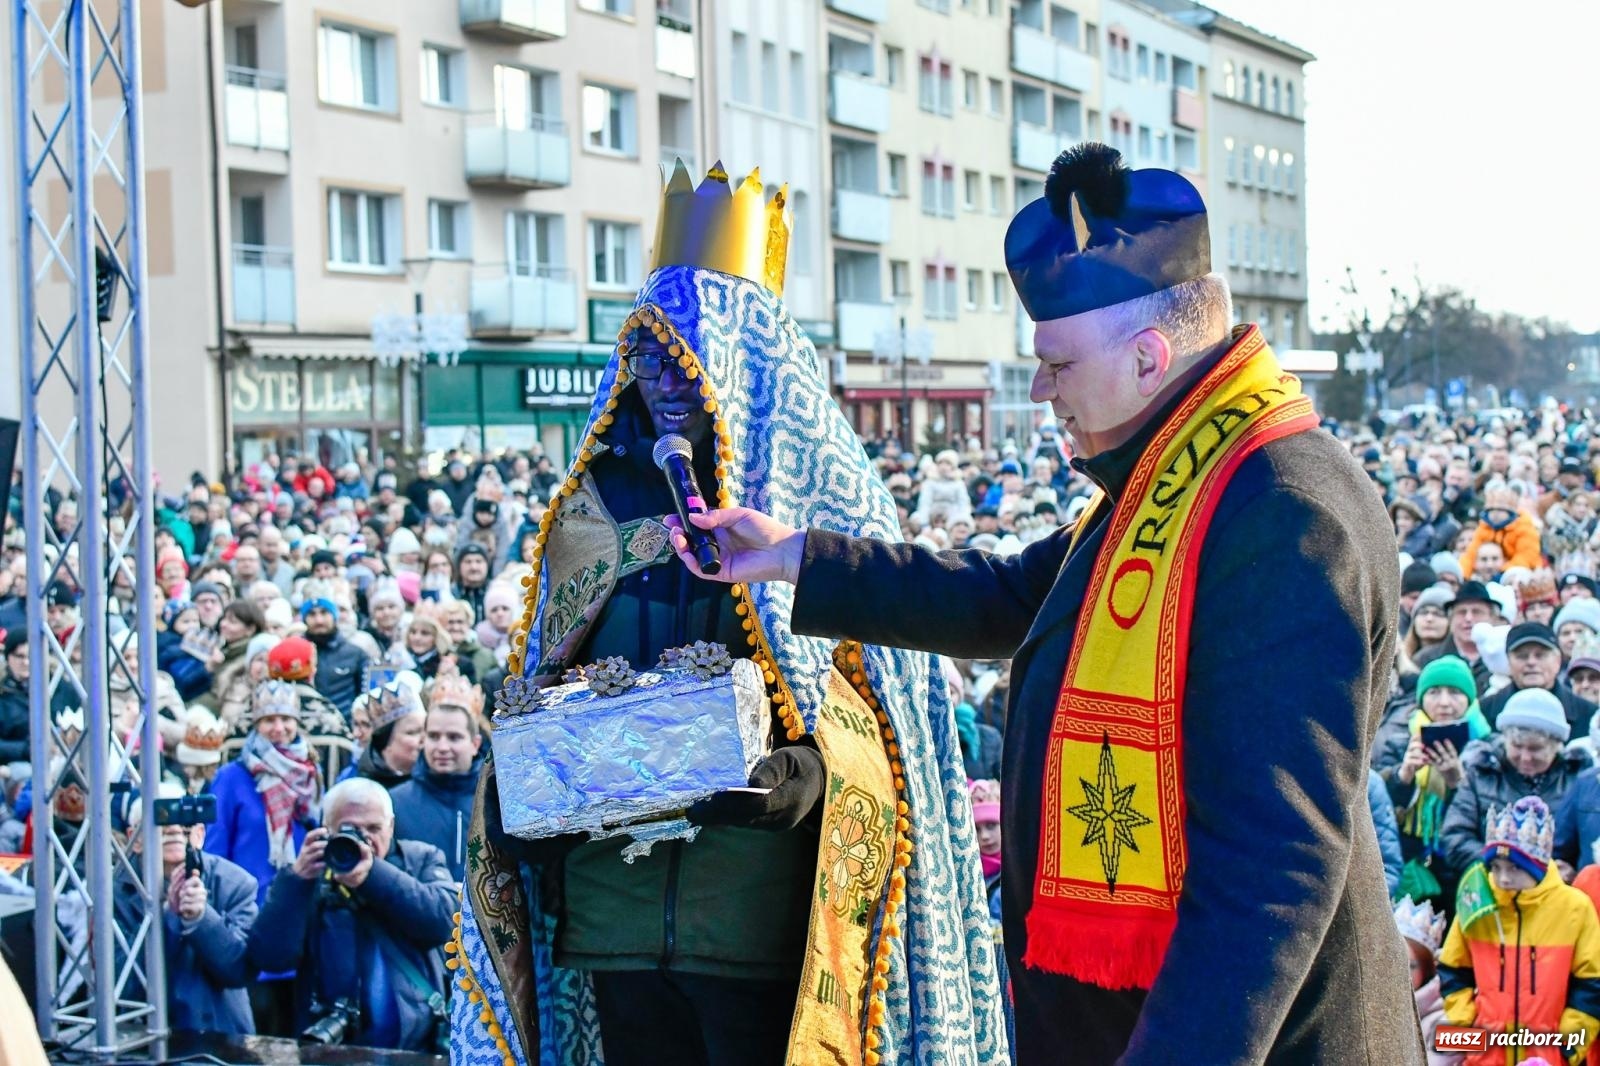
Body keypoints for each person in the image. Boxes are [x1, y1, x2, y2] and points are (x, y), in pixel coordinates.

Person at [660, 143, 1418, 1063]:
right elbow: (1021, 592)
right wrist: (794, 557)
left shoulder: (1281, 511)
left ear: (1147, 358)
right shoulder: (1177, 474)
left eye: (1055, 364)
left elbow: (1272, 869)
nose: (1039, 390)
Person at [456, 162, 1002, 1066]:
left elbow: (880, 708)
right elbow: (543, 678)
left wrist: (811, 772)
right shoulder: (592, 501)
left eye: (688, 350)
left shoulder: (823, 503)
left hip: (756, 919)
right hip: (613, 911)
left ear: (745, 358)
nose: (667, 373)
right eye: (649, 348)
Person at [247, 777, 457, 1052]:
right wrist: (296, 881)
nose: (364, 839)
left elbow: (443, 922)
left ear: (391, 826)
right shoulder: (309, 874)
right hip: (333, 1046)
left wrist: (372, 876)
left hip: (416, 1044)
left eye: (374, 828)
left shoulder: (420, 859)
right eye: (350, 829)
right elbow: (271, 958)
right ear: (327, 828)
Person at [1438, 797, 1600, 1065]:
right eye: (1496, 867)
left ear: (1537, 867)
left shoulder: (1574, 908)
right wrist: (1467, 1032)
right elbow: (1453, 971)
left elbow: (1592, 985)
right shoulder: (1477, 900)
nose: (1503, 878)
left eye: (1515, 868)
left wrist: (1567, 1049)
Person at [204, 680, 322, 1035]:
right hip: (248, 912)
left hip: (294, 914)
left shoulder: (309, 773)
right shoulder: (232, 777)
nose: (279, 728)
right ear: (255, 724)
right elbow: (214, 847)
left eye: (286, 719)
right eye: (268, 720)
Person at [114, 782, 258, 1035]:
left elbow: (239, 970)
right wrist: (166, 915)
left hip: (219, 1035)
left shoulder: (235, 883)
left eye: (184, 824)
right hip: (143, 1037)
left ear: (200, 834)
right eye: (162, 823)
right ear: (134, 839)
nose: (174, 831)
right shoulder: (111, 894)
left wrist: (201, 920)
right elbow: (119, 985)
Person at [1440, 689, 1591, 876]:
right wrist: (1503, 865)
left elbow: (1589, 842)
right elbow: (1455, 837)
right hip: (1491, 887)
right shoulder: (1482, 773)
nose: (1525, 757)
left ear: (1556, 745)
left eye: (1535, 749)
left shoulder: (1577, 777)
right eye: (1517, 747)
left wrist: (1572, 871)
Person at [390, 676, 482, 881]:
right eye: (433, 736)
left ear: (475, 744)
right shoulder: (395, 803)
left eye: (454, 737)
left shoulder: (496, 802)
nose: (442, 747)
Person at [1479, 622, 1598, 740]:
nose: (1531, 662)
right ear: (1508, 662)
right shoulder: (1484, 712)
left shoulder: (1589, 715)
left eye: (1540, 655)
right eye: (1522, 656)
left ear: (1558, 660)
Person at [1393, 897, 1460, 1066]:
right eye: (1391, 965)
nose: (1399, 975)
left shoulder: (1452, 1017)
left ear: (1428, 969)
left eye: (1410, 966)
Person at [1414, 580, 1499, 696]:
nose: (1468, 618)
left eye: (1477, 612)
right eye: (1461, 612)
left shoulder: (1502, 658)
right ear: (1451, 618)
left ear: (1492, 618)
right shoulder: (1426, 658)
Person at [300, 595, 370, 717]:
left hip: (346, 724)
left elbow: (365, 696)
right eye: (312, 615)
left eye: (324, 613)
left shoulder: (356, 654)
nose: (319, 620)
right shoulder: (298, 653)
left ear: (334, 616)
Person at [356, 680, 426, 789]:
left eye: (427, 731)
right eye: (412, 732)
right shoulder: (360, 788)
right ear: (385, 745)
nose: (424, 740)